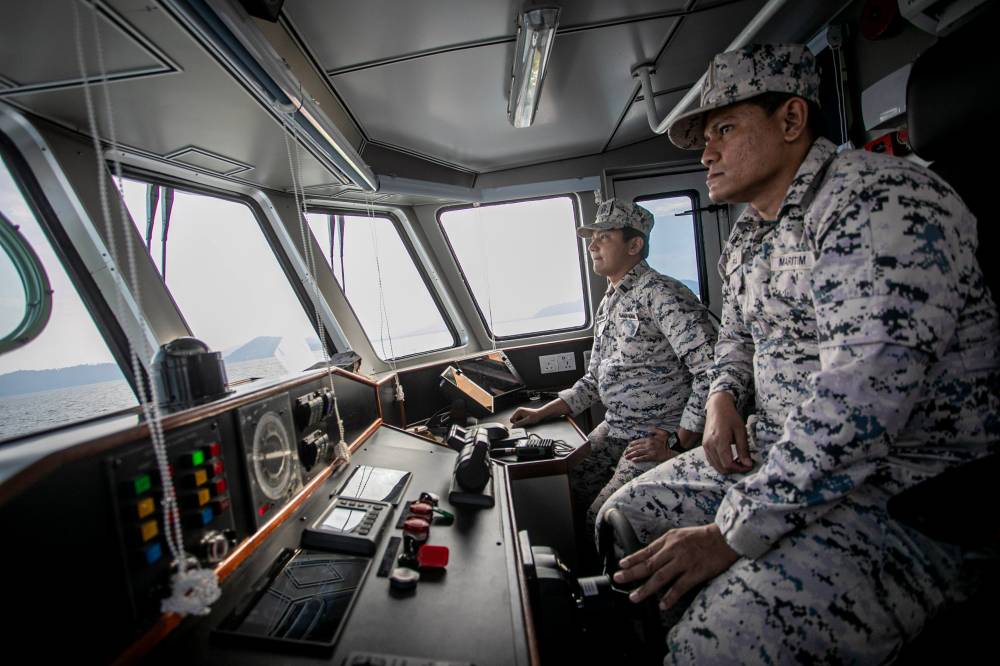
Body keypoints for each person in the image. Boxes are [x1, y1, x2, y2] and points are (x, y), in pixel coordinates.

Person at [599, 43, 999, 663]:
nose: (707, 152)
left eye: (724, 129)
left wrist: (730, 534)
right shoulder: (750, 234)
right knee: (625, 519)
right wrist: (722, 399)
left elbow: (858, 408)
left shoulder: (877, 201)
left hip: (903, 488)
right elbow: (732, 337)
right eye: (706, 136)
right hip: (774, 450)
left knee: (712, 644)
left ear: (790, 121)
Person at [510, 198, 717, 536]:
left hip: (655, 435)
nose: (592, 245)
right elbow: (594, 379)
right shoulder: (610, 302)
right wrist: (542, 413)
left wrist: (678, 443)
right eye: (591, 236)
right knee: (564, 488)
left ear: (634, 244)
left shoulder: (663, 295)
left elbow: (712, 370)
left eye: (603, 236)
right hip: (616, 426)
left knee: (602, 519)